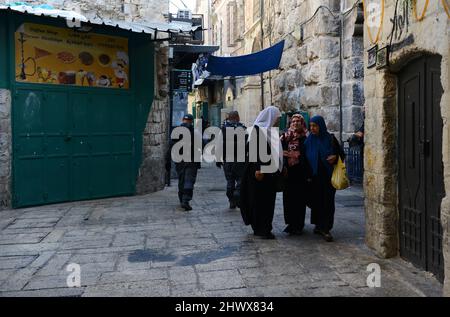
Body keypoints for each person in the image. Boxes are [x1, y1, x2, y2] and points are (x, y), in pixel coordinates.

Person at [240, 106, 283, 239]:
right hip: (259, 173)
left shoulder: (269, 131)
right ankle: (262, 229)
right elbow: (253, 151)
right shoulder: (257, 131)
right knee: (261, 201)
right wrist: (259, 168)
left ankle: (262, 227)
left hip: (268, 173)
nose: (278, 121)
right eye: (277, 118)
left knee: (267, 201)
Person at [305, 115, 344, 242]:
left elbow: (341, 155)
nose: (312, 128)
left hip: (328, 177)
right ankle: (318, 225)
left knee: (327, 202)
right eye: (311, 126)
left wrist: (335, 157)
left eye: (315, 126)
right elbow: (304, 159)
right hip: (314, 178)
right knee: (316, 202)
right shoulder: (309, 140)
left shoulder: (330, 139)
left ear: (321, 126)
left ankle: (326, 228)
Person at [280, 114, 310, 235]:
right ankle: (290, 224)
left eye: (298, 121)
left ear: (302, 123)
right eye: (293, 121)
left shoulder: (306, 137)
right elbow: (279, 151)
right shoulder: (285, 137)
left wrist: (297, 155)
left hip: (300, 172)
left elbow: (307, 153)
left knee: (299, 199)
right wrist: (284, 154)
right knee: (288, 199)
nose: (295, 123)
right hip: (288, 172)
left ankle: (298, 224)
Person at [170, 114, 201, 211]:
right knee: (189, 180)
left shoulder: (176, 131)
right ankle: (185, 200)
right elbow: (201, 145)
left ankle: (181, 198)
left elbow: (170, 145)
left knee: (182, 179)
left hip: (179, 160)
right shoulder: (195, 132)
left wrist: (168, 160)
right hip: (191, 160)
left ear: (183, 120)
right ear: (191, 121)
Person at [216, 111, 247, 209]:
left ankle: (231, 199)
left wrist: (218, 159)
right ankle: (237, 194)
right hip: (240, 160)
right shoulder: (243, 129)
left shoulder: (223, 130)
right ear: (237, 117)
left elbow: (219, 144)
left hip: (228, 160)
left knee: (230, 181)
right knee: (240, 180)